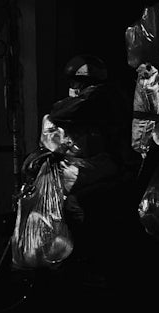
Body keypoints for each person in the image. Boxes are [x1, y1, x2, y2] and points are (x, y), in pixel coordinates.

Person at [31, 55, 137, 284]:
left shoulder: (101, 96)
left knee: (72, 200)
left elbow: (61, 112)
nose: (73, 88)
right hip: (105, 162)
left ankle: (85, 262)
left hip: (116, 164)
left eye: (76, 83)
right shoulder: (98, 97)